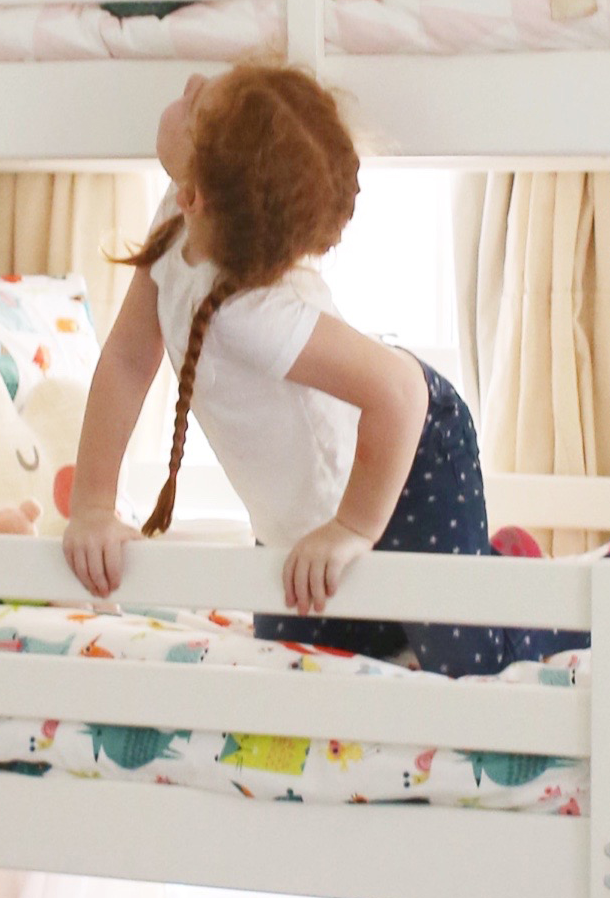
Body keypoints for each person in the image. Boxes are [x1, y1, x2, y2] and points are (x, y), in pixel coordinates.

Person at [62, 62, 556, 677]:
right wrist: (92, 506)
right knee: (312, 659)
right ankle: (481, 564)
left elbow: (401, 394)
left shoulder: (256, 315)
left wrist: (351, 527)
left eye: (193, 105)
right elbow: (129, 360)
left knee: (470, 666)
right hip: (304, 507)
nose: (188, 81)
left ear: (199, 195)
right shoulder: (180, 214)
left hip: (404, 460)